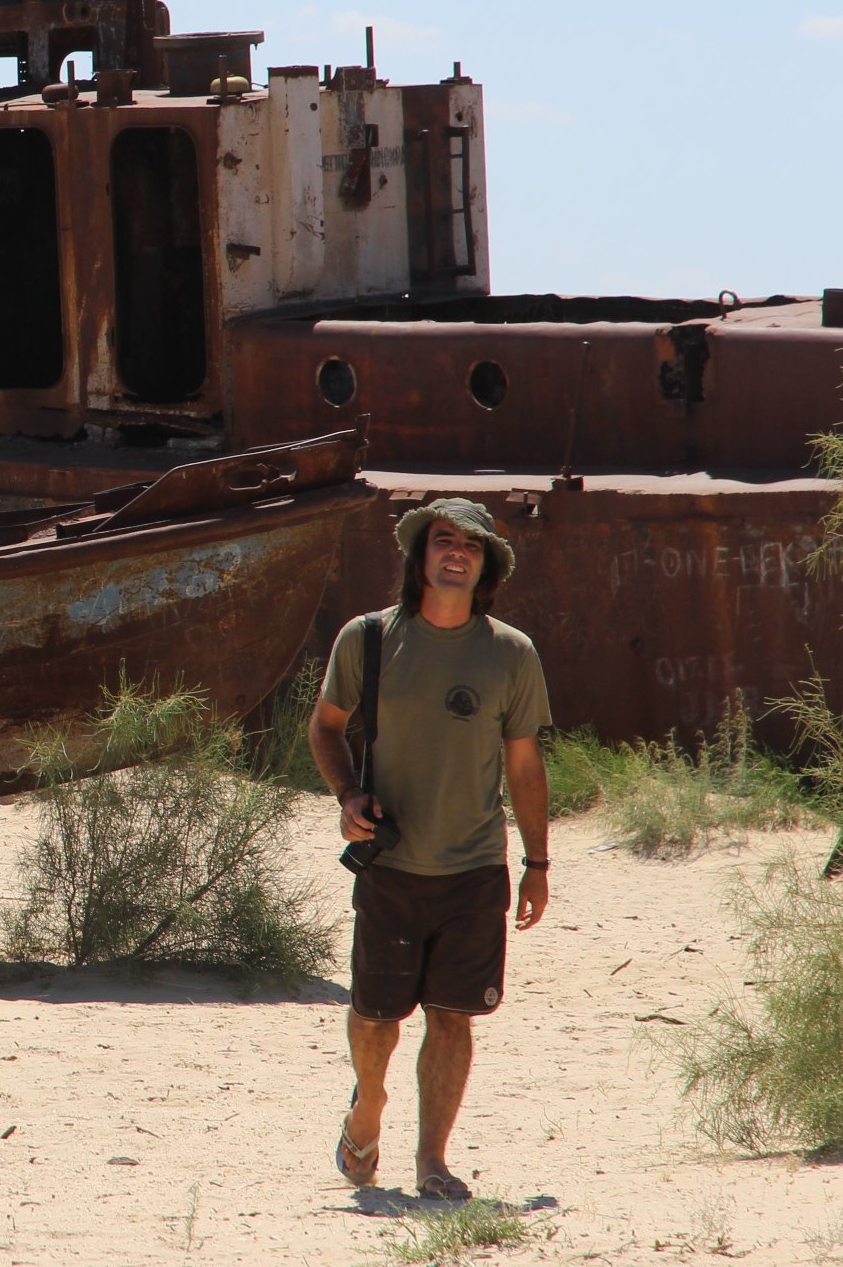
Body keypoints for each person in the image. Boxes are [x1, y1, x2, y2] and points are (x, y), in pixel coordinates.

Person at [307, 496, 551, 1203]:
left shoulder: (511, 653)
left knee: (453, 1018)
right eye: (443, 541)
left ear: (486, 567)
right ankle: (368, 1108)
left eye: (471, 547)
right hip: (391, 866)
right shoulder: (370, 639)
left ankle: (431, 1163)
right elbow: (325, 727)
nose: (456, 554)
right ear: (419, 556)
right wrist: (349, 797)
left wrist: (537, 864)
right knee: (375, 1017)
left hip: (476, 868)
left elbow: (527, 767)